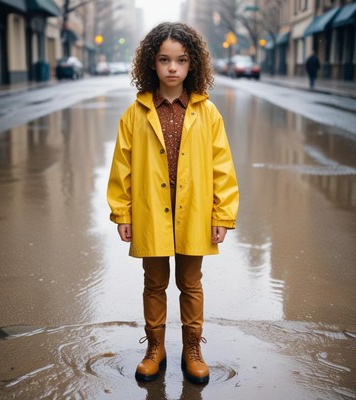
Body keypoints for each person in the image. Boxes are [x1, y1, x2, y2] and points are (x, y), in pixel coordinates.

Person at [107, 22, 239, 385]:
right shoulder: (135, 113)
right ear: (152, 63)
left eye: (180, 61)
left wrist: (222, 214)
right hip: (151, 210)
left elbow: (222, 166)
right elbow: (122, 166)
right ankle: (155, 349)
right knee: (153, 283)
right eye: (164, 60)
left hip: (194, 212)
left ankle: (192, 349)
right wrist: (122, 211)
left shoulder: (207, 112)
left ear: (191, 64)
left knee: (191, 283)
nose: (172, 68)